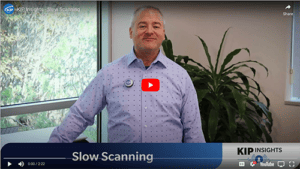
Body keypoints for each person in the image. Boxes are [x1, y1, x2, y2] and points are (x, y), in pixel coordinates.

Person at [48, 5, 206, 143]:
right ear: (131, 32)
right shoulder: (109, 73)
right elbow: (80, 115)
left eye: (156, 26)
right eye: (142, 26)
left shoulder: (181, 76)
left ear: (163, 34)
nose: (149, 31)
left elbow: (193, 132)